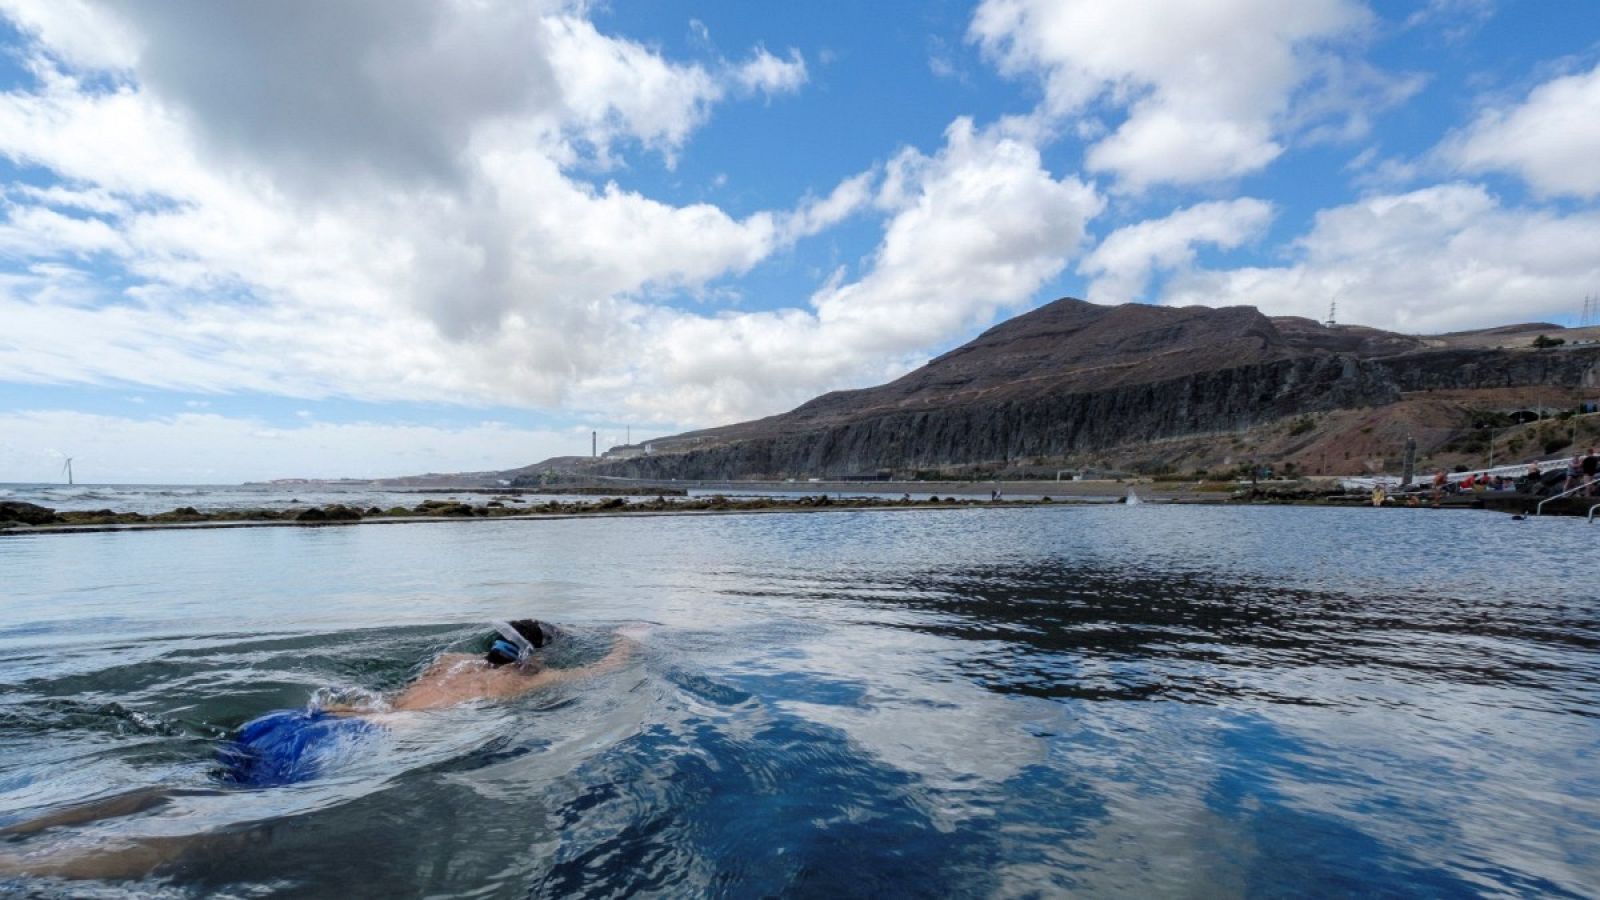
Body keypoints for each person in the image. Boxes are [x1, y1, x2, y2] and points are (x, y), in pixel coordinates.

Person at [2, 620, 634, 877]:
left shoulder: (448, 659)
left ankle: (28, 825)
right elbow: (603, 673)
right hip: (362, 742)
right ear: (532, 657)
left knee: (188, 788)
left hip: (298, 719)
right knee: (219, 826)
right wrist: (630, 643)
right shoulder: (518, 681)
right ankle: (18, 871)